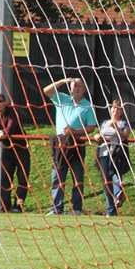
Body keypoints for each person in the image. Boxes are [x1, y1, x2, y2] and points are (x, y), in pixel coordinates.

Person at [44, 77, 98, 216]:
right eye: (74, 86)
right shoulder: (62, 99)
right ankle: (56, 208)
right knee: (57, 177)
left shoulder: (87, 106)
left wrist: (75, 131)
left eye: (79, 86)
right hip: (60, 143)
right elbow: (46, 90)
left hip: (77, 143)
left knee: (77, 178)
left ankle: (76, 208)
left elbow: (91, 127)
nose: (76, 88)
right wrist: (62, 81)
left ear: (84, 89)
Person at [0, 93, 30, 213]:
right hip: (7, 148)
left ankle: (18, 206)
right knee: (4, 178)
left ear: (5, 102)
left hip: (21, 148)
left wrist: (1, 132)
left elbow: (10, 128)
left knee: (22, 178)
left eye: (0, 101)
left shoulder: (12, 111)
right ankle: (5, 206)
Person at [95, 99, 132, 217]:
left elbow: (125, 135)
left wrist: (116, 127)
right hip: (103, 153)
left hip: (116, 154)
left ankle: (118, 194)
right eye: (114, 108)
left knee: (115, 175)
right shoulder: (105, 122)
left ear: (121, 111)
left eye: (118, 108)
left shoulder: (123, 123)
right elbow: (99, 133)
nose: (115, 110)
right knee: (106, 181)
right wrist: (97, 136)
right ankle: (111, 208)